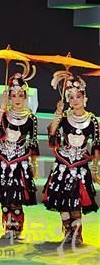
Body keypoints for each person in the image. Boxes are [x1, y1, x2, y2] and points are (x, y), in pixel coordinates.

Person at [0, 62, 39, 241]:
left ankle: (17, 228)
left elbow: (33, 141)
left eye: (20, 95)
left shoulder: (31, 118)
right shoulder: (4, 114)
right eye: (13, 95)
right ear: (9, 97)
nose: (17, 98)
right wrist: (1, 110)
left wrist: (34, 164)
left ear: (25, 96)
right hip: (3, 160)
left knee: (16, 197)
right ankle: (8, 227)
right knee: (5, 197)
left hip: (20, 161)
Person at [43, 71, 99, 245]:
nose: (75, 100)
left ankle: (77, 234)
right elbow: (52, 134)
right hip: (63, 164)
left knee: (76, 201)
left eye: (78, 96)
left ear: (84, 98)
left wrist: (95, 168)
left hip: (80, 165)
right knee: (62, 201)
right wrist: (57, 114)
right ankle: (67, 231)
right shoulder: (65, 118)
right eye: (71, 97)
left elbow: (97, 146)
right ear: (67, 99)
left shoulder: (92, 120)